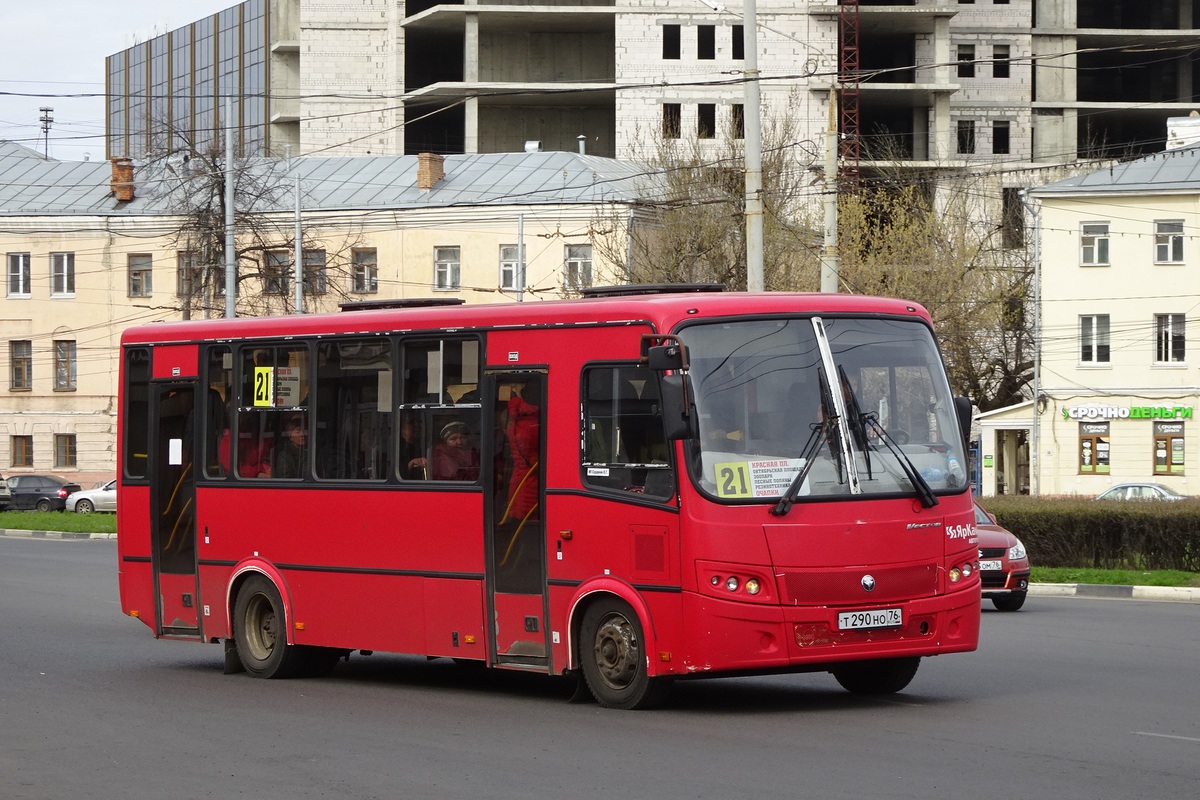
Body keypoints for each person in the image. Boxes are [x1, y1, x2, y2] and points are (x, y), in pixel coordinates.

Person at [398, 412, 427, 479]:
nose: (416, 425)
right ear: (400, 427)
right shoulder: (393, 450)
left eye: (419, 422)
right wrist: (411, 465)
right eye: (411, 422)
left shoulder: (425, 446)